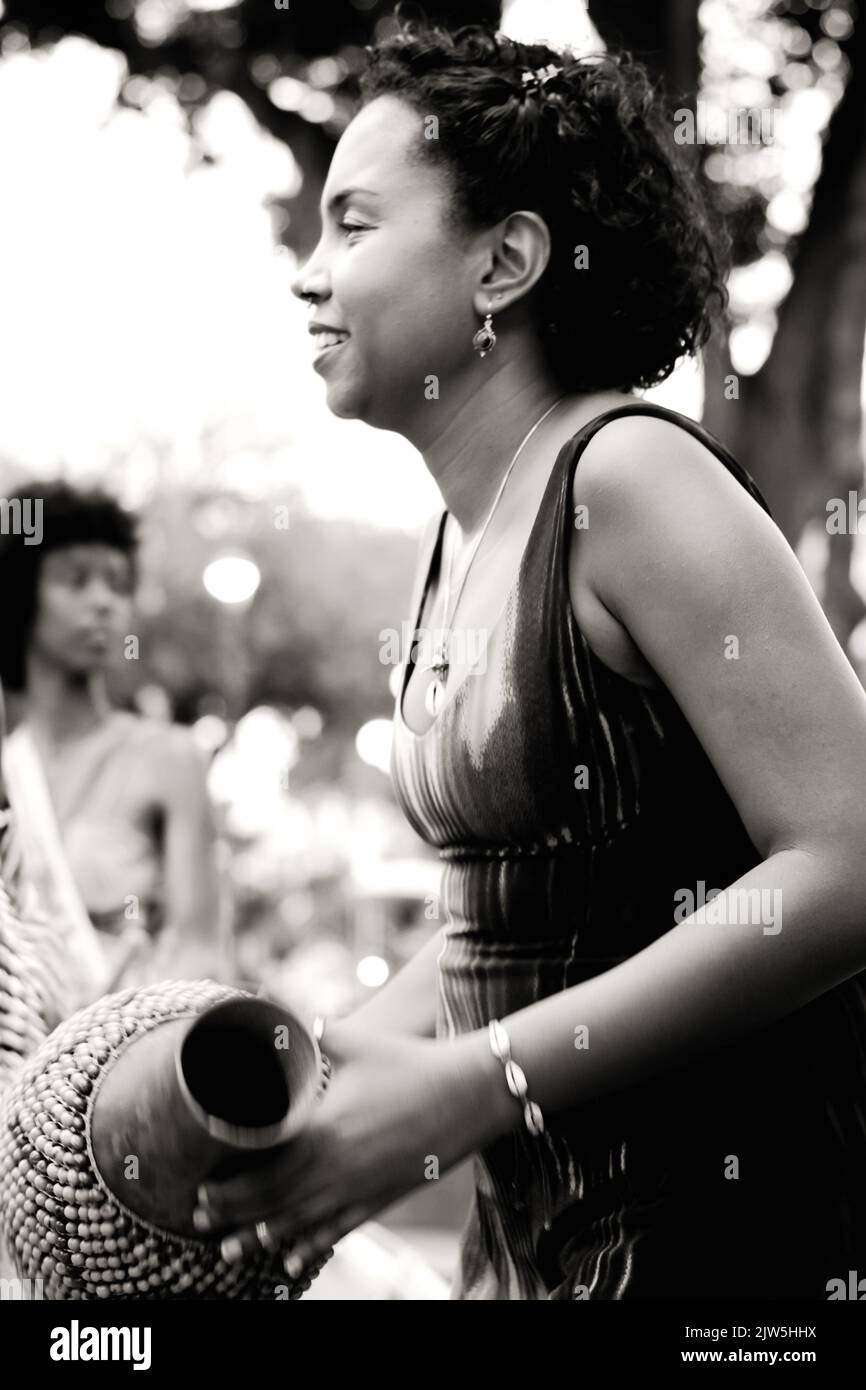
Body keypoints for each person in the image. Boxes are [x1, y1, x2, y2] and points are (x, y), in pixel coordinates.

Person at [194, 21, 866, 1299]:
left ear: (502, 261)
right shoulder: (456, 533)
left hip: (729, 1251)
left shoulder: (627, 476)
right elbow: (506, 926)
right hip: (540, 1246)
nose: (308, 272)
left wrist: (473, 1081)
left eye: (354, 223)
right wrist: (317, 1084)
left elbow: (847, 861)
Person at [0, 482, 226, 1014]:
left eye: (118, 583)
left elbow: (200, 951)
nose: (103, 600)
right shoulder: (9, 772)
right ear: (21, 593)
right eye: (75, 580)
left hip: (132, 1062)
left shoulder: (170, 757)